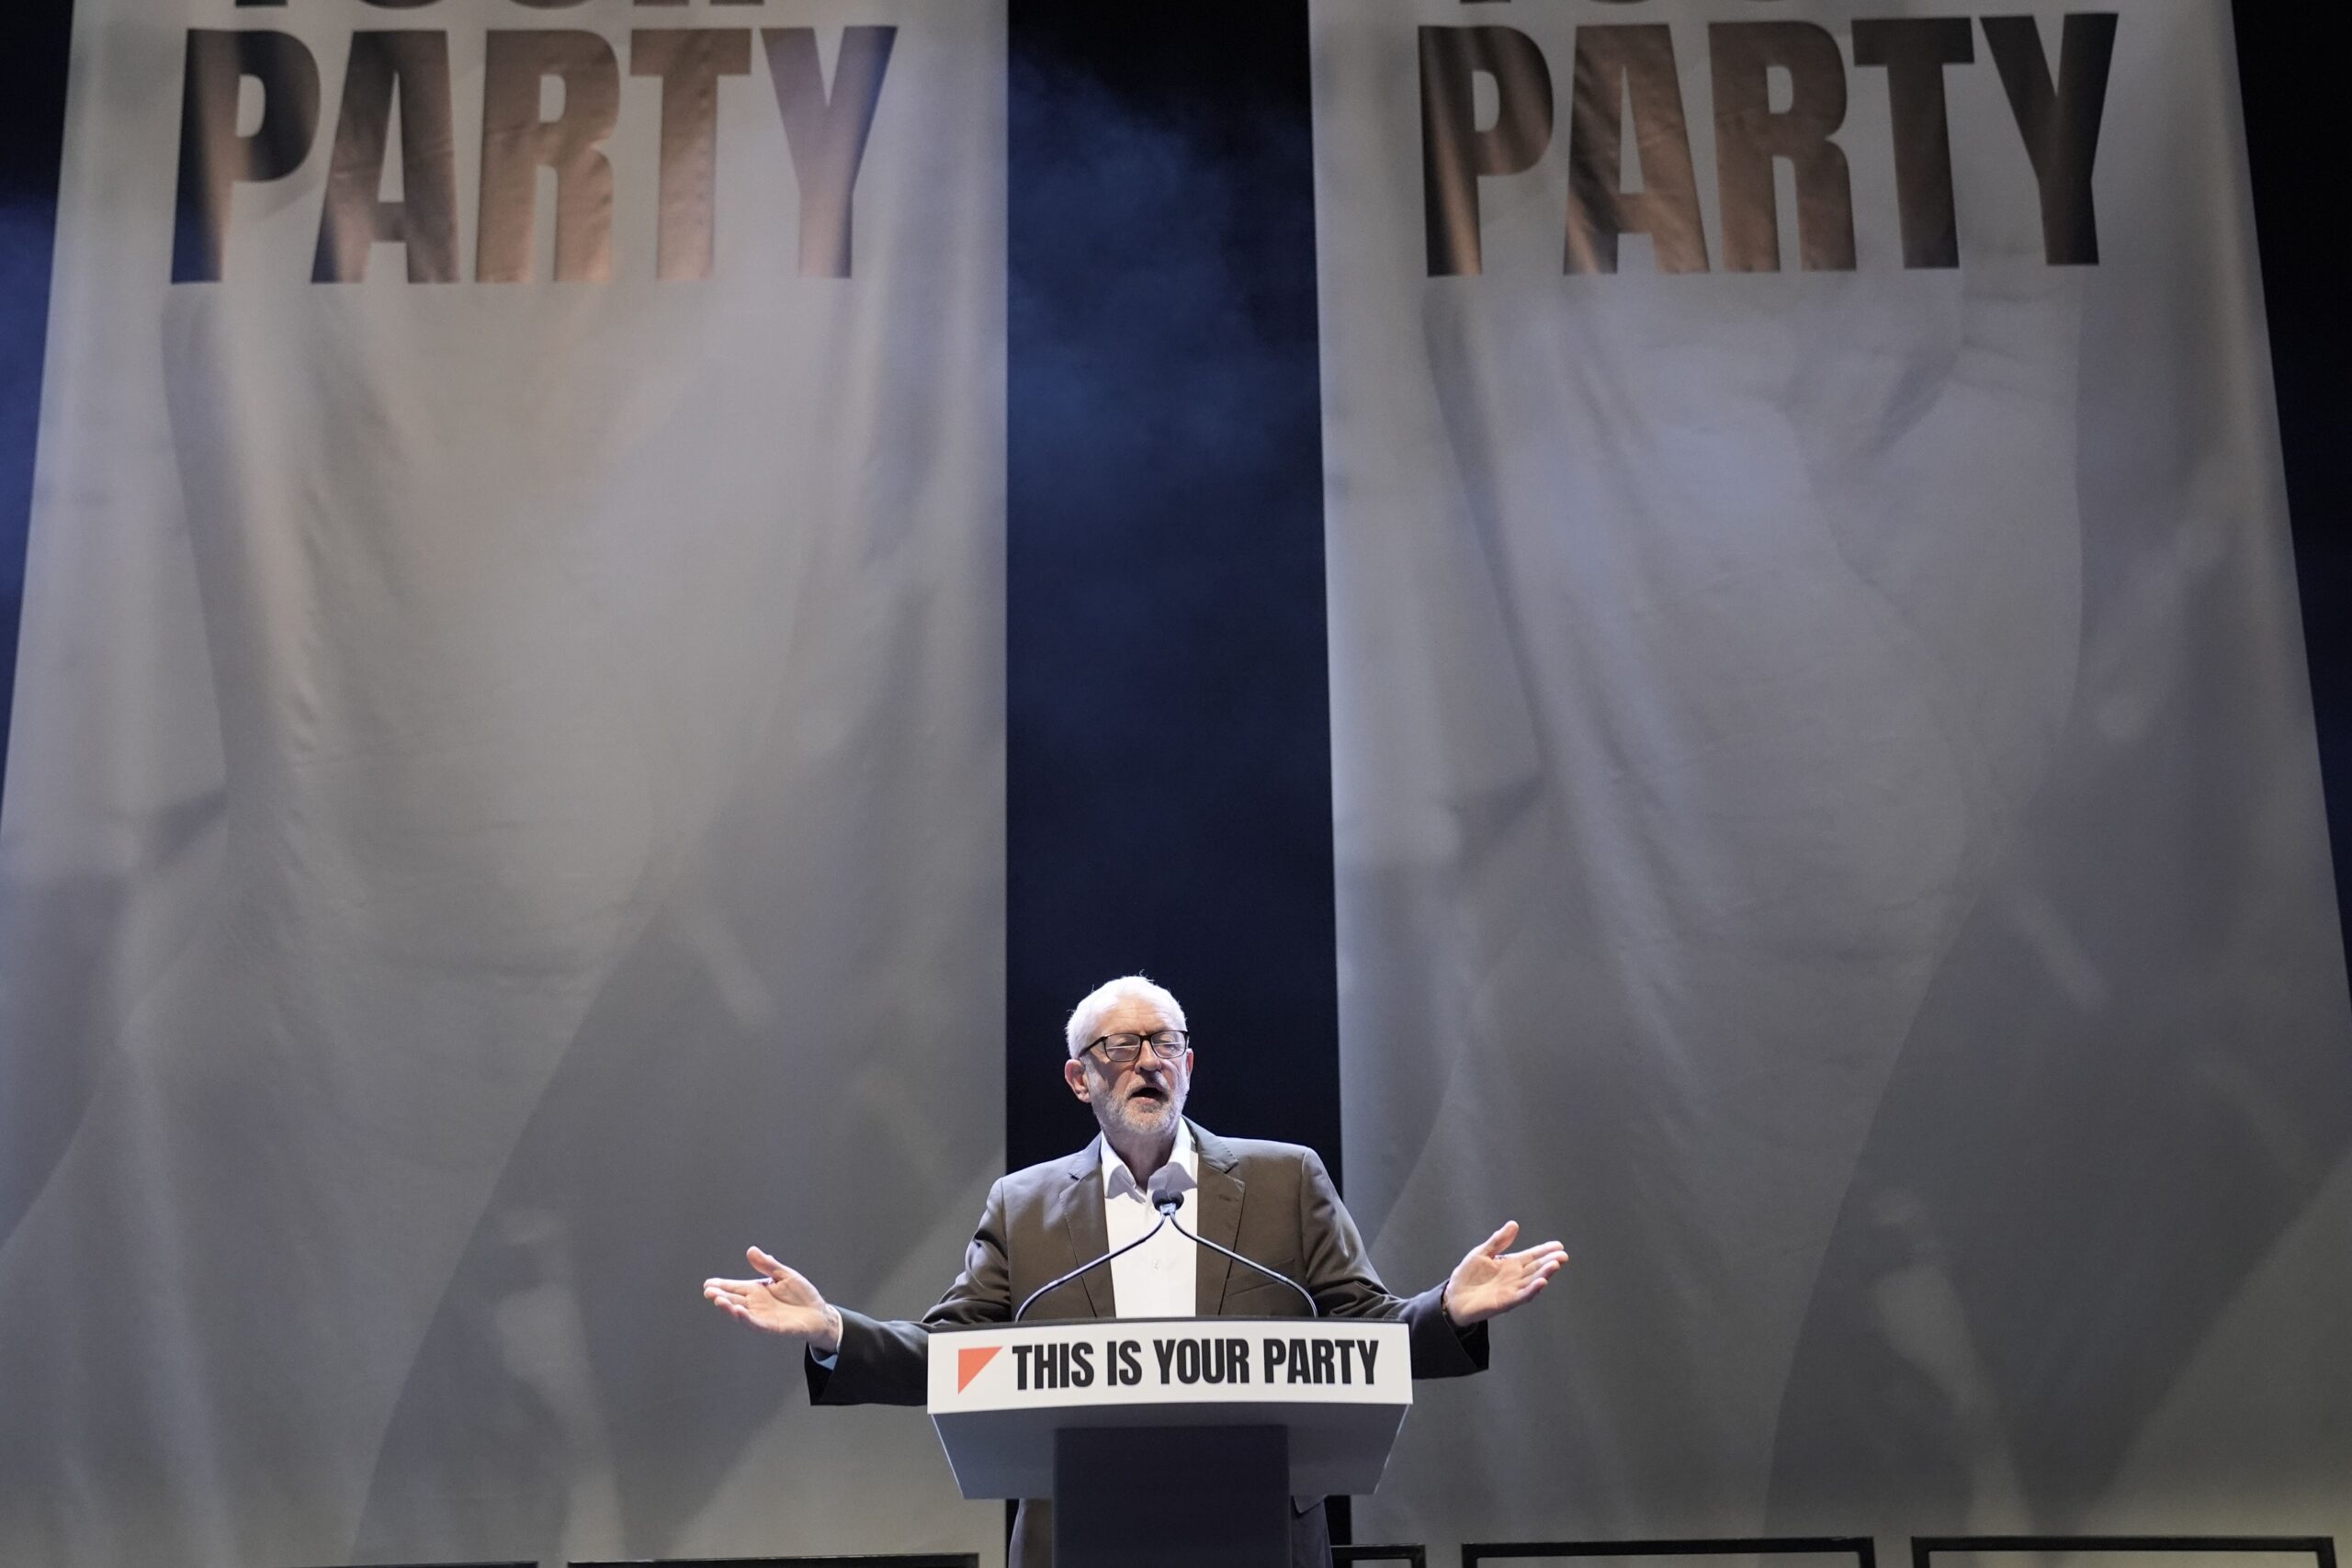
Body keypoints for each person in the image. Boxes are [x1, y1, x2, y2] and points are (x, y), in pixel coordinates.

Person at [704, 975, 1567, 1568]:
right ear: (1079, 1078)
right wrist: (832, 1332)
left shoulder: (1283, 1177)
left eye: (1166, 1043)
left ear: (1189, 1065)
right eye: (1119, 1046)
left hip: (1256, 1529)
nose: (1147, 1060)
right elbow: (956, 1356)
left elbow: (1362, 1334)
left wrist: (1445, 1310)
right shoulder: (1025, 1203)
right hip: (1081, 1531)